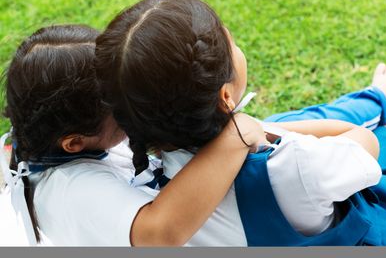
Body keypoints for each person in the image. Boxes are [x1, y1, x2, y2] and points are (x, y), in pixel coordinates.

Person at [95, 0, 386, 246]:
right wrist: (260, 130)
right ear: (226, 95)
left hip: (311, 196)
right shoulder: (292, 164)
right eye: (233, 43)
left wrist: (246, 130)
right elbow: (365, 144)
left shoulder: (142, 187)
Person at [2, 24, 270, 246]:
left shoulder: (63, 141)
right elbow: (157, 235)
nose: (136, 108)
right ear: (74, 142)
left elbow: (258, 132)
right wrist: (237, 136)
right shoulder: (71, 190)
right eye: (122, 108)